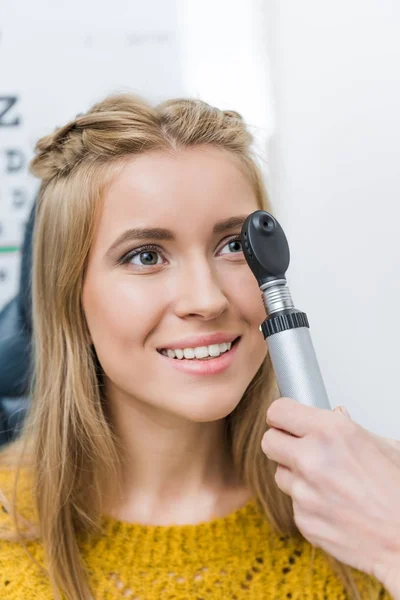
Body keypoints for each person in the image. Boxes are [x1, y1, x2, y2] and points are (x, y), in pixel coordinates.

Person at [0, 93, 392, 600]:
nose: (206, 300)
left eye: (233, 245)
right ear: (68, 295)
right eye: (145, 256)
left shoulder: (374, 511)